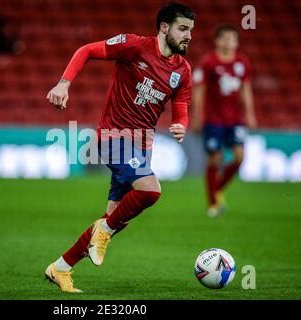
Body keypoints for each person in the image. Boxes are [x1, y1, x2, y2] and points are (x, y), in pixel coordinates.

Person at [45, 3, 195, 293]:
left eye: (191, 30)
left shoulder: (183, 70)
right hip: (113, 137)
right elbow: (86, 50)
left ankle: (60, 268)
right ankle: (103, 232)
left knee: (115, 216)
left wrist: (181, 124)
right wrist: (64, 84)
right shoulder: (134, 46)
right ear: (164, 27)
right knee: (150, 190)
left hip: (142, 145)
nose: (189, 35)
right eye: (183, 28)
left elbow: (181, 106)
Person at [191, 25, 257, 218]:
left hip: (235, 120)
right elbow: (199, 90)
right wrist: (197, 116)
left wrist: (250, 113)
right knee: (215, 158)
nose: (230, 42)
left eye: (233, 39)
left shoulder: (242, 62)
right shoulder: (208, 62)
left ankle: (216, 189)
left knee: (239, 157)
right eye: (226, 38)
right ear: (217, 41)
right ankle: (212, 203)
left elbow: (245, 88)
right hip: (213, 120)